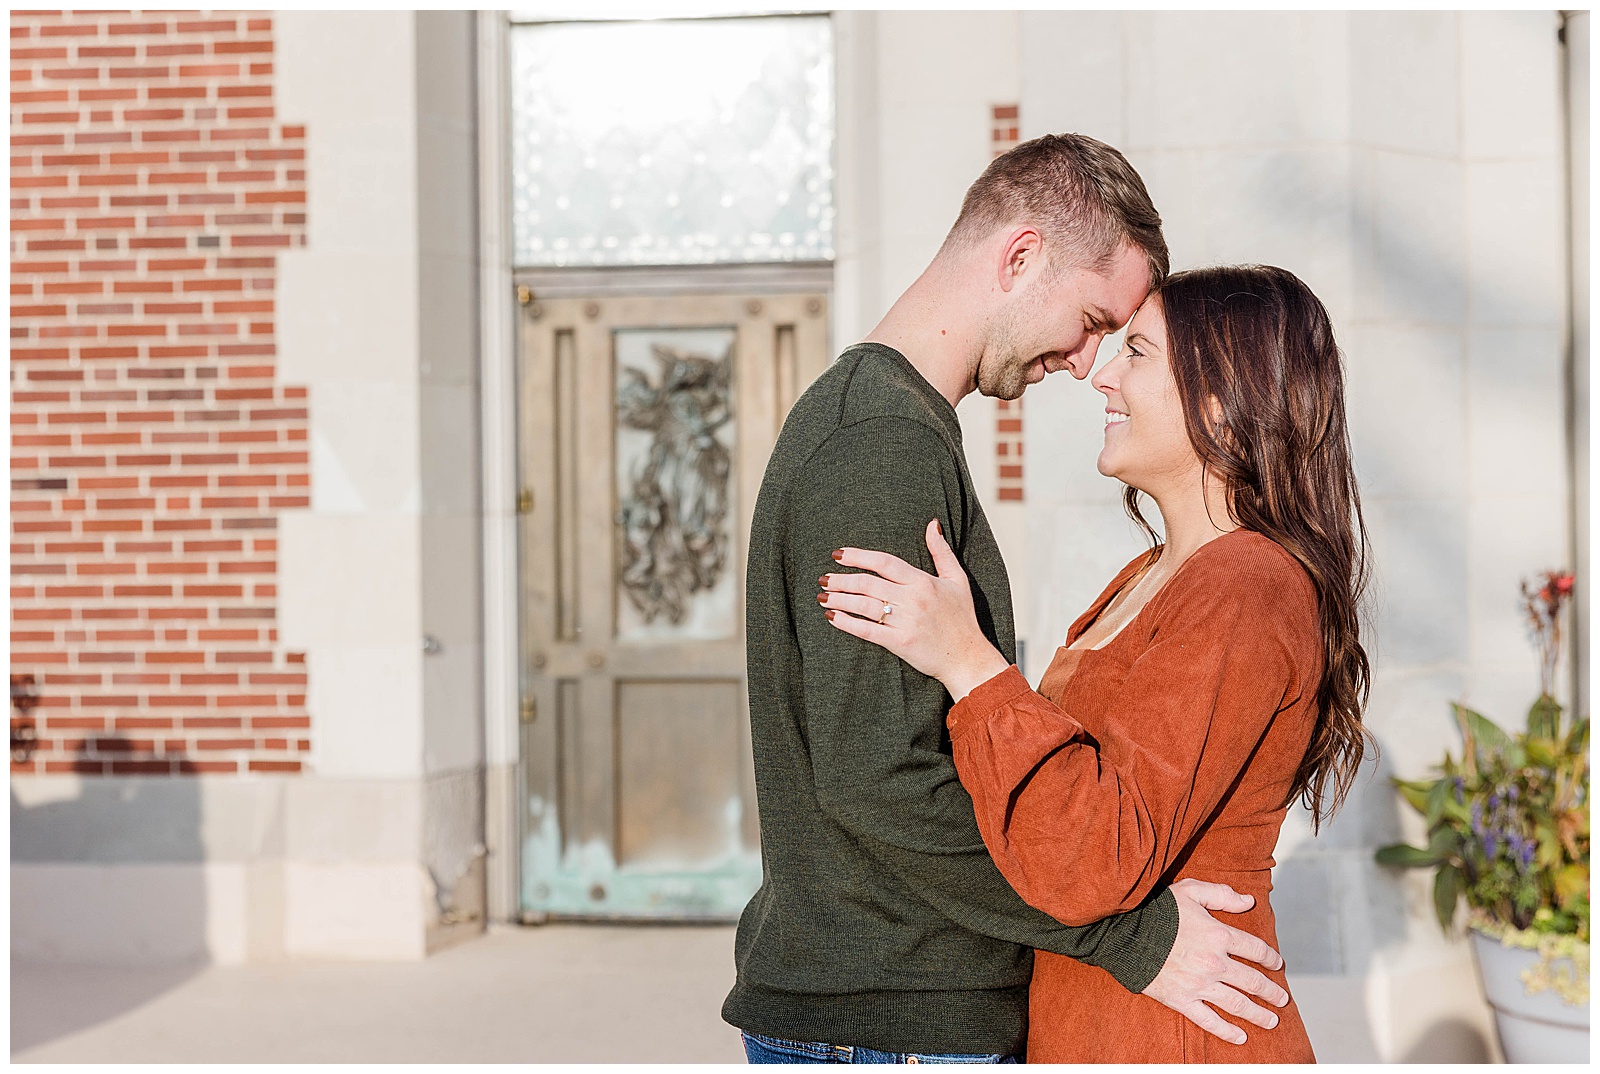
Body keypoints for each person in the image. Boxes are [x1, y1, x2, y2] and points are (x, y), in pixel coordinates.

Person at [722, 135, 1293, 1064]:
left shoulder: (891, 429)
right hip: (895, 1018)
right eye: (1092, 318)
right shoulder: (881, 446)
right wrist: (1132, 938)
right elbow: (879, 776)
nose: (1085, 362)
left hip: (895, 1006)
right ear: (1021, 256)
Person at [820, 264, 1372, 1062]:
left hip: (1175, 1034)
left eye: (1138, 353)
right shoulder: (1153, 574)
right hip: (1098, 1017)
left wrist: (969, 662)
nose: (1102, 376)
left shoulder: (1246, 586)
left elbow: (1092, 859)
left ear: (1222, 398)